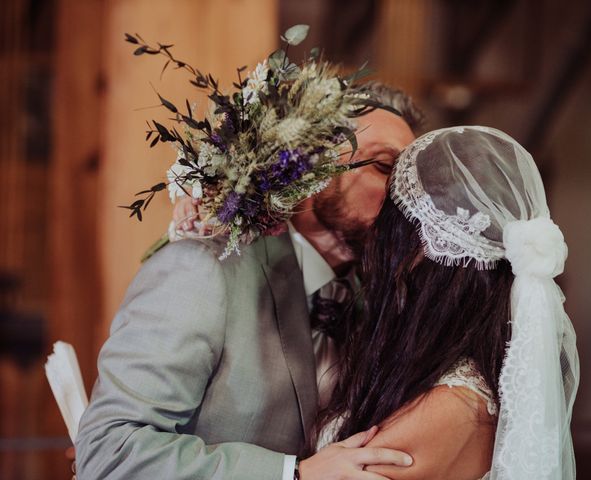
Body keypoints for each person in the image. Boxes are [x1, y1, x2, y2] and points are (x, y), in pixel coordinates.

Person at [75, 83, 424, 479]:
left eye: (413, 179)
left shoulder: (381, 302)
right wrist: (293, 476)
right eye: (383, 166)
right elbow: (110, 451)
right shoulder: (204, 269)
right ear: (310, 165)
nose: (407, 196)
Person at [304, 126, 580, 480]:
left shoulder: (451, 406)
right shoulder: (444, 378)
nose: (376, 236)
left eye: (389, 222)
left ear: (420, 248)